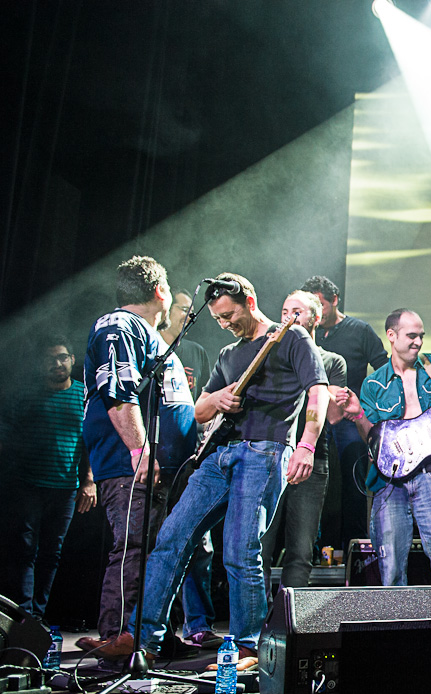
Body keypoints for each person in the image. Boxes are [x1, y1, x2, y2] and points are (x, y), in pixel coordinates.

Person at [104, 272, 328, 669]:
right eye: (218, 319)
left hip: (265, 450)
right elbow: (199, 410)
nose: (224, 324)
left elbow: (318, 391)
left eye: (229, 315)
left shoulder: (291, 337)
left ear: (249, 302)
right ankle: (143, 639)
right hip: (219, 455)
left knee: (241, 550)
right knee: (171, 537)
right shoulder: (227, 354)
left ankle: (249, 646)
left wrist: (307, 445)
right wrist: (219, 398)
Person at [332, 308, 431, 655]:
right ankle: (395, 628)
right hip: (390, 480)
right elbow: (372, 437)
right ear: (392, 336)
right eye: (411, 335)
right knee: (391, 558)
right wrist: (357, 414)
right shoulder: (374, 384)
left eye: (421, 335)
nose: (418, 342)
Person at [76, 256, 200, 659]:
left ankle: (154, 637)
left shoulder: (151, 336)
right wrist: (140, 449)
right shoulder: (120, 325)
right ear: (161, 292)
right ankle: (118, 637)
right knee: (134, 547)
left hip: (163, 468)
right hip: (133, 466)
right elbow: (117, 391)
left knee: (159, 551)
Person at [0, 337, 96, 618]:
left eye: (62, 357)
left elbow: (91, 440)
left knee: (52, 553)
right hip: (28, 484)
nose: (57, 363)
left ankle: (37, 617)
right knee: (25, 550)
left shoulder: (83, 395)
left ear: (72, 360)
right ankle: (24, 616)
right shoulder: (28, 394)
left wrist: (89, 480)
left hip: (66, 487)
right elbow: (7, 434)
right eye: (50, 359)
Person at [260, 290, 348, 590]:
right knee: (260, 546)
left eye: (297, 312)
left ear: (316, 317)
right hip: (271, 456)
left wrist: (326, 391)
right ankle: (257, 613)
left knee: (300, 550)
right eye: (285, 312)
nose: (289, 317)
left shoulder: (332, 361)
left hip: (312, 460)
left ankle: (289, 615)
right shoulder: (271, 353)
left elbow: (334, 417)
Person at [299, 275, 388, 547]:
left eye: (321, 304)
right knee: (312, 482)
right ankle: (315, 548)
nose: (317, 312)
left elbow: (384, 369)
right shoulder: (305, 335)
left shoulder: (360, 330)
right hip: (312, 418)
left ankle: (352, 549)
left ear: (335, 300)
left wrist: (368, 409)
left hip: (348, 420)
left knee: (352, 482)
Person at [159, 289, 222, 649]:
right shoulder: (154, 349)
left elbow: (205, 402)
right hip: (158, 460)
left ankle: (198, 624)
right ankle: (159, 629)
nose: (188, 314)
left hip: (191, 461)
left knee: (200, 543)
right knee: (161, 543)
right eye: (184, 308)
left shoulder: (196, 352)